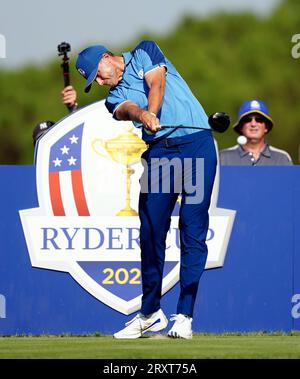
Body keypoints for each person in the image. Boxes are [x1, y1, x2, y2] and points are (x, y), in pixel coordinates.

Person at [76, 40, 217, 339]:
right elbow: (127, 109)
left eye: (97, 74)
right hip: (160, 153)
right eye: (94, 82)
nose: (100, 82)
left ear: (106, 57)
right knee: (151, 231)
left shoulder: (145, 50)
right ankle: (151, 312)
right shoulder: (113, 98)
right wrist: (143, 116)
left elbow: (157, 83)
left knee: (192, 227)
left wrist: (152, 111)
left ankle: (184, 316)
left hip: (195, 144)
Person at [219, 99, 293, 165]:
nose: (253, 124)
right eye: (247, 120)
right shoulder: (223, 157)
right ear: (241, 126)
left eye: (259, 119)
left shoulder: (282, 158)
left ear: (266, 127)